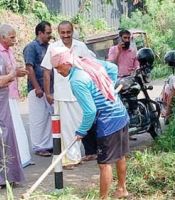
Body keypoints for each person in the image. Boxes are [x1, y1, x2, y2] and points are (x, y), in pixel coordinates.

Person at [50, 47, 130, 200]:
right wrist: (109, 88)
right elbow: (112, 68)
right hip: (120, 113)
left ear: (66, 62)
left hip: (108, 121)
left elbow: (90, 111)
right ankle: (122, 189)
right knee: (120, 156)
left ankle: (103, 198)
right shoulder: (88, 62)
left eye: (58, 67)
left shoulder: (76, 81)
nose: (58, 71)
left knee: (104, 164)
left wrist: (81, 131)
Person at [41, 21, 95, 169]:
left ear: (72, 31)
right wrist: (47, 92)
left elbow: (89, 65)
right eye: (62, 32)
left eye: (68, 32)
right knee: (65, 129)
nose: (66, 35)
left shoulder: (81, 46)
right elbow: (46, 70)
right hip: (62, 94)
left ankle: (75, 156)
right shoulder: (53, 47)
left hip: (79, 92)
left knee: (79, 126)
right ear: (59, 33)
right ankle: (69, 159)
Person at [0, 24, 31, 167]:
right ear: (3, 37)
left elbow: (10, 72)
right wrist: (13, 74)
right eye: (12, 37)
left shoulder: (9, 51)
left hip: (12, 93)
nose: (15, 40)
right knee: (8, 131)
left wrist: (17, 72)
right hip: (4, 96)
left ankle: (20, 160)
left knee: (15, 128)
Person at [23, 21, 53, 157]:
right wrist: (37, 87)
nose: (50, 35)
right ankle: (39, 146)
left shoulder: (49, 47)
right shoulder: (31, 47)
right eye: (47, 33)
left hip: (49, 88)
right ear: (40, 33)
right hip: (37, 89)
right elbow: (29, 68)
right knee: (38, 119)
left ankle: (48, 145)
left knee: (48, 118)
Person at [0, 55, 25, 187]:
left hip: (3, 105)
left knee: (7, 136)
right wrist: (11, 75)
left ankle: (8, 177)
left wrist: (12, 75)